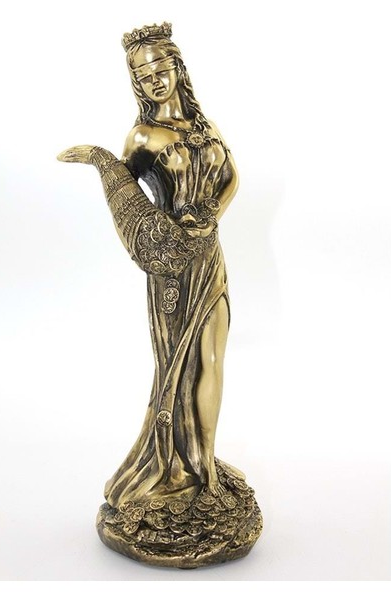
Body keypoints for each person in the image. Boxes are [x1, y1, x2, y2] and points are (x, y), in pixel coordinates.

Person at [101, 23, 239, 505]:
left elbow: (231, 177)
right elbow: (126, 198)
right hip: (172, 266)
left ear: (177, 66)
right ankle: (172, 462)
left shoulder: (204, 125)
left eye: (159, 68)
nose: (154, 81)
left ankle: (205, 461)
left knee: (213, 356)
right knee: (176, 363)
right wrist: (161, 236)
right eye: (142, 75)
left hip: (210, 256)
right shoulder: (142, 136)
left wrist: (211, 213)